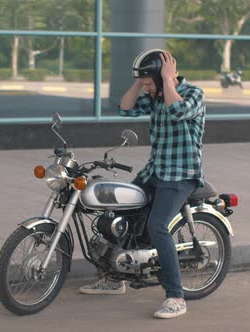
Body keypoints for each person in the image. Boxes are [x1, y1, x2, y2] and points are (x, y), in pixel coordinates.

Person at [79, 49, 206, 319]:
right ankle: (114, 279)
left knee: (157, 226)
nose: (146, 87)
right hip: (154, 172)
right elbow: (125, 109)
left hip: (181, 174)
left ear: (163, 77)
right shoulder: (154, 96)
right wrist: (140, 81)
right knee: (118, 214)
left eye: (149, 82)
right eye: (145, 83)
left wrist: (167, 80)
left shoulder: (194, 93)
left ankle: (175, 297)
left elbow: (178, 110)